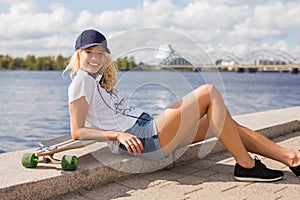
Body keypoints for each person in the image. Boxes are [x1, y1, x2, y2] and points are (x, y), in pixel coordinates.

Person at [64, 29, 300, 182]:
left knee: (220, 123)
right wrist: (117, 135)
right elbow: (78, 131)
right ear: (78, 54)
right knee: (209, 93)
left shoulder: (95, 81)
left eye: (100, 53)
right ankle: (246, 166)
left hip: (148, 128)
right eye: (89, 53)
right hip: (143, 137)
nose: (95, 58)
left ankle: (293, 158)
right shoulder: (81, 81)